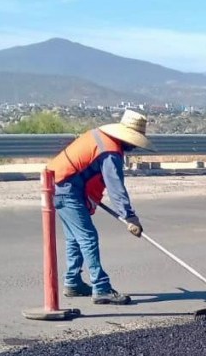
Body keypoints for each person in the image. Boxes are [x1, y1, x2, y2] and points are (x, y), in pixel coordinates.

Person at [46, 110, 152, 305]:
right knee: (88, 237)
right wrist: (129, 217)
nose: (135, 146)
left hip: (59, 185)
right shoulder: (110, 152)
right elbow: (115, 187)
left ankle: (73, 282)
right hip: (67, 189)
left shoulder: (100, 137)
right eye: (134, 141)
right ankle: (101, 288)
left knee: (75, 239)